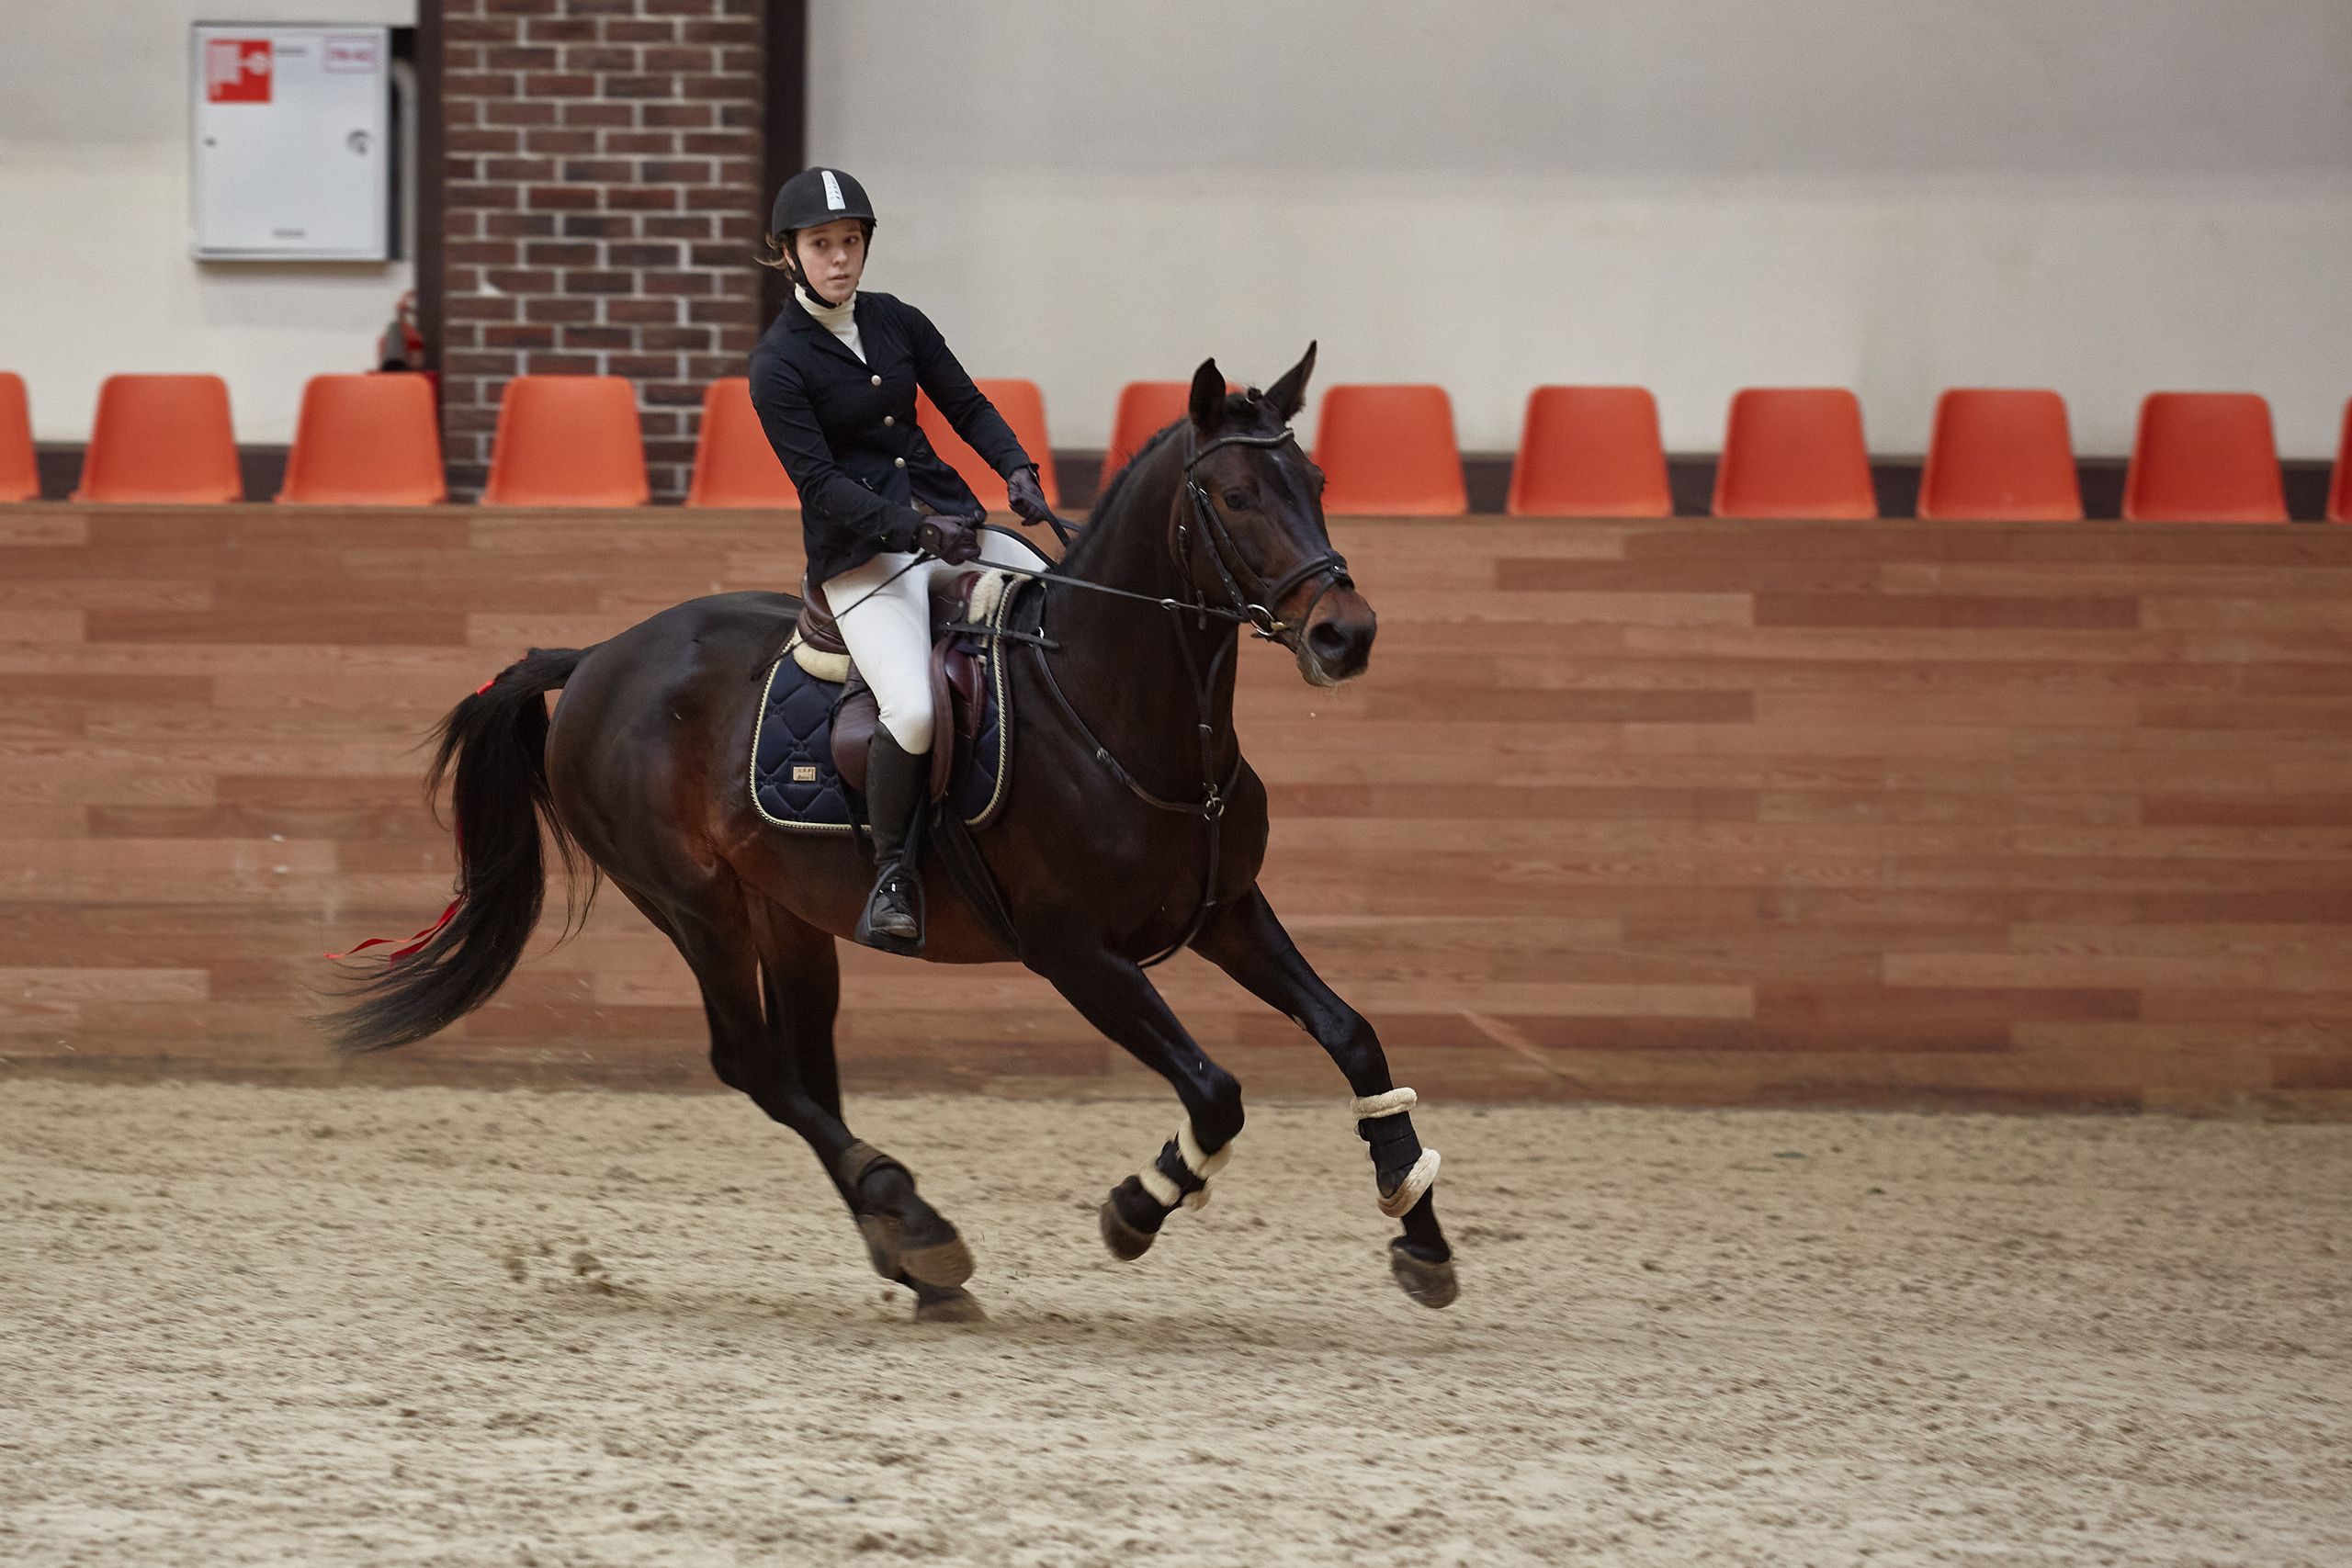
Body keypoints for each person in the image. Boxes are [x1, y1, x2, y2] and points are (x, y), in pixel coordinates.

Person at [748, 166, 1055, 953]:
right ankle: (893, 873)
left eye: (850, 242)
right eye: (822, 245)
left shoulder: (897, 321)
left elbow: (967, 404)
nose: (840, 259)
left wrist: (1015, 467)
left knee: (1054, 604)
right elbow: (817, 482)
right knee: (912, 709)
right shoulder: (778, 362)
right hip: (862, 558)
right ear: (791, 254)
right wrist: (911, 532)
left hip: (944, 517)